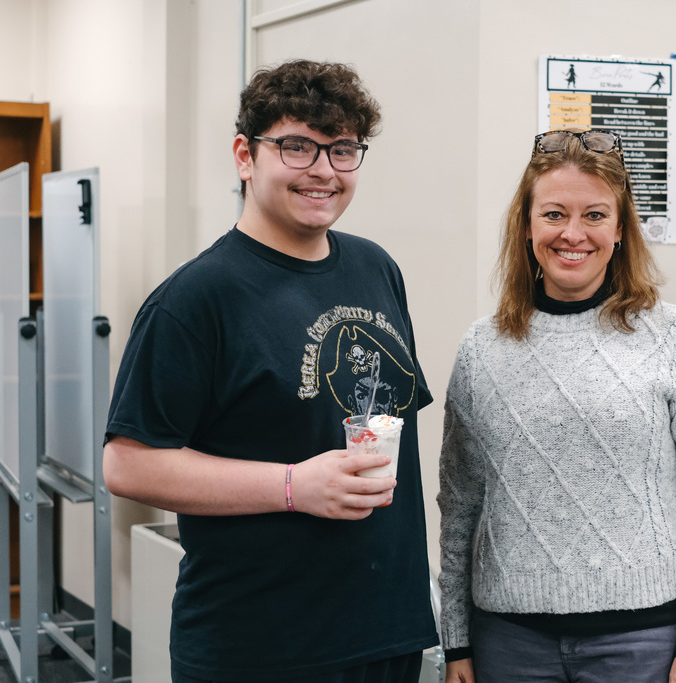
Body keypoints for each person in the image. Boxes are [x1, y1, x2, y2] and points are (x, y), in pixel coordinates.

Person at [102, 60, 438, 682]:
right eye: (296, 146)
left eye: (342, 149)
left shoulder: (375, 268)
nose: (324, 170)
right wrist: (292, 486)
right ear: (245, 156)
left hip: (385, 631)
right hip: (262, 645)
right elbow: (128, 463)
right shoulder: (196, 298)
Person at [437, 129, 676, 683]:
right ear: (527, 226)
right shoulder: (481, 349)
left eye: (595, 215)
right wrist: (455, 640)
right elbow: (459, 507)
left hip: (643, 644)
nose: (572, 234)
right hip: (507, 645)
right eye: (554, 214)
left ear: (620, 229)